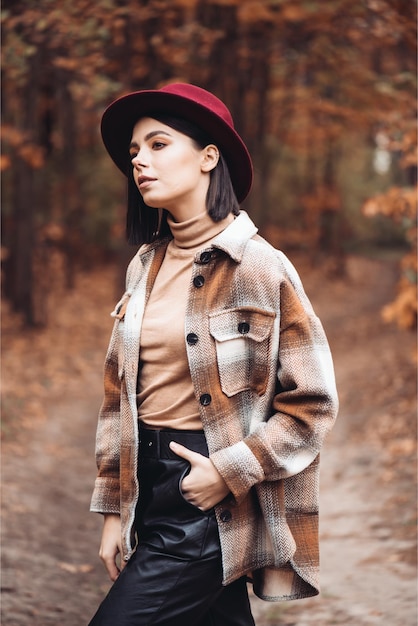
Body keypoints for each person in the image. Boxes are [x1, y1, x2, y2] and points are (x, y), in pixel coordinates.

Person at [88, 83, 338, 626]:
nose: (140, 162)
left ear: (208, 157)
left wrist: (229, 472)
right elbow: (118, 399)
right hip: (147, 492)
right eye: (134, 152)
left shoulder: (260, 267)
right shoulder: (144, 265)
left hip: (207, 502)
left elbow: (312, 404)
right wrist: (113, 509)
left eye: (157, 144)